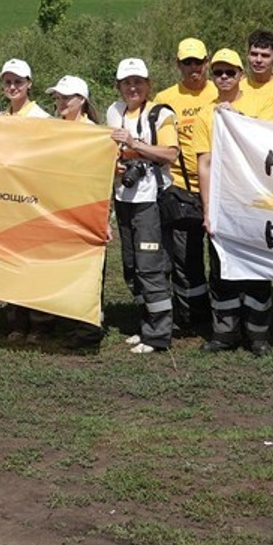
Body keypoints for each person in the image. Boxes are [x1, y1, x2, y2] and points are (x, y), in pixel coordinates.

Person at [197, 49, 273, 356]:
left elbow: (267, 147)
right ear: (212, 77)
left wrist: (237, 120)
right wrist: (207, 209)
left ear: (241, 75)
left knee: (256, 268)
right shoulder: (206, 113)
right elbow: (204, 163)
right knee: (221, 270)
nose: (224, 78)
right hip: (222, 202)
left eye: (230, 72)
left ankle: (258, 335)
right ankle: (224, 333)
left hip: (255, 201)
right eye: (218, 73)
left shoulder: (262, 104)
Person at [107, 57, 177, 354]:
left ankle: (159, 334)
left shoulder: (160, 114)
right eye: (126, 82)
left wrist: (135, 145)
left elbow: (171, 153)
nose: (132, 87)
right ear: (119, 86)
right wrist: (118, 166)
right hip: (124, 198)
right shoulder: (113, 112)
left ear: (148, 85)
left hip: (150, 200)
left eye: (138, 82)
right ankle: (145, 323)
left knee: (150, 267)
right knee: (131, 266)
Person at [151, 38, 218, 334]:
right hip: (180, 188)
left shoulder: (222, 92)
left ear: (207, 62)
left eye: (199, 62)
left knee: (221, 258)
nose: (194, 68)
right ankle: (194, 317)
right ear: (178, 65)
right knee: (186, 258)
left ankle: (225, 313)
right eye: (187, 63)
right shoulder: (165, 98)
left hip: (220, 188)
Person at [47, 74, 108, 348]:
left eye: (66, 98)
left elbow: (100, 179)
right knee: (63, 267)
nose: (60, 102)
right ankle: (66, 321)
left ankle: (89, 328)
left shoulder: (94, 134)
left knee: (88, 268)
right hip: (57, 208)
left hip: (84, 209)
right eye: (57, 97)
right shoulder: (53, 128)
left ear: (81, 101)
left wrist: (105, 218)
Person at [0, 58, 53, 340]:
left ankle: (40, 323)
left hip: (33, 201)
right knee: (10, 263)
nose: (12, 86)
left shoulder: (42, 119)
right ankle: (17, 321)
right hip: (7, 201)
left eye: (18, 81)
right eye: (7, 81)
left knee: (34, 263)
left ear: (29, 84)